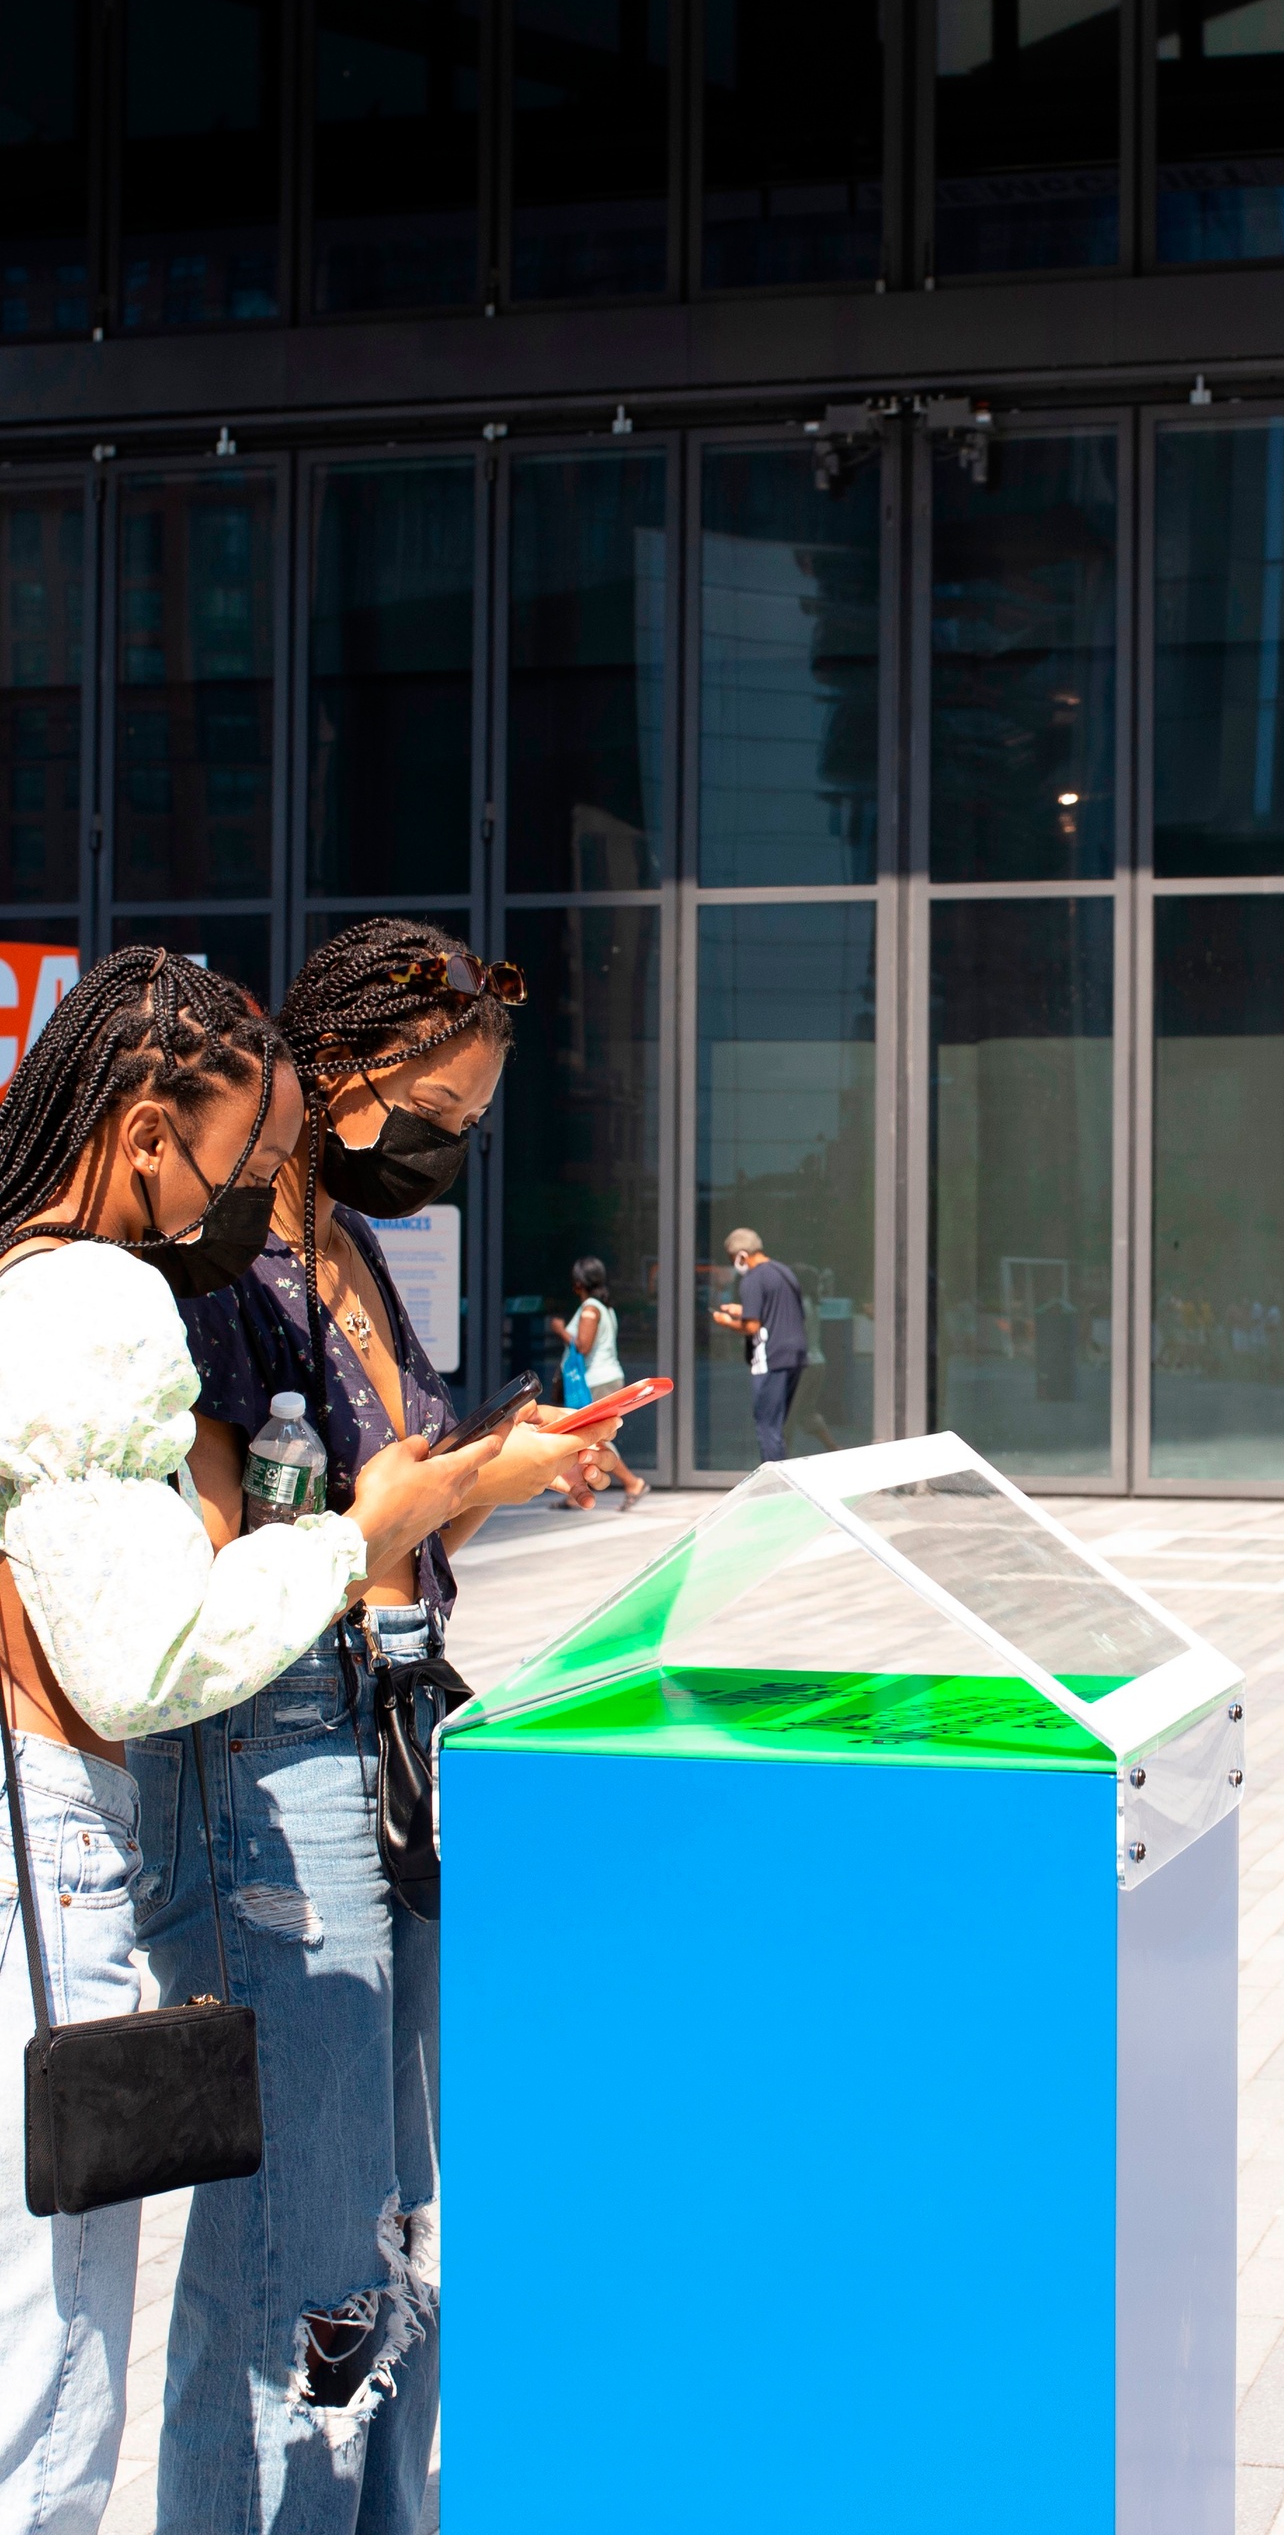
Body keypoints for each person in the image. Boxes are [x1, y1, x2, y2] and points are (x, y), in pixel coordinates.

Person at [0, 949, 489, 2535]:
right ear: (150, 1135)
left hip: (93, 1818)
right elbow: (151, 1648)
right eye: (231, 1156)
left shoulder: (24, 1279)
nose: (239, 1192)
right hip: (85, 1821)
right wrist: (363, 1536)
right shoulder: (96, 1296)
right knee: (60, 2373)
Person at [140, 920, 617, 2535]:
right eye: (437, 1112)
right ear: (337, 1077)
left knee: (386, 2218)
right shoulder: (223, 1273)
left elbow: (401, 1523)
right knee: (306, 2247)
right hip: (292, 1753)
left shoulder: (344, 1251)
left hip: (395, 1731)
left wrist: (509, 1465)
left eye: (473, 1129)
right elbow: (253, 1559)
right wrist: (438, 1490)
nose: (446, 1149)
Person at [547, 1255, 649, 1506]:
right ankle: (576, 1493)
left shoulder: (590, 1309)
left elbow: (582, 1345)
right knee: (587, 1438)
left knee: (594, 1438)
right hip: (607, 1378)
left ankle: (632, 1482)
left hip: (596, 1383)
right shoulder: (606, 1308)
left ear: (579, 1283)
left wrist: (559, 1329)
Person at [711, 1227, 809, 1464]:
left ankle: (775, 1485)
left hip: (770, 1356)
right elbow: (777, 1311)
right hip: (795, 1355)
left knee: (766, 1425)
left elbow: (752, 1326)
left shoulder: (753, 1279)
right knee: (778, 1423)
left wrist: (727, 1322)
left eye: (733, 1258)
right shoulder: (784, 1272)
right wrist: (742, 1310)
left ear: (742, 1255)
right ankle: (783, 1476)